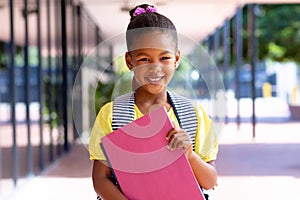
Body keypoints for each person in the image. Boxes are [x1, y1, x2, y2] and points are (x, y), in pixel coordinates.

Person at [89, 4, 218, 200]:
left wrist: (190, 155)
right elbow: (100, 179)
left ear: (176, 59)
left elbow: (210, 182)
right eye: (144, 60)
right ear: (129, 62)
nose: (155, 69)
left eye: (164, 58)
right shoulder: (112, 115)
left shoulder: (193, 114)